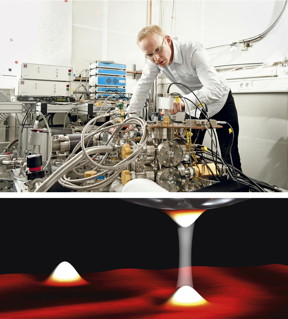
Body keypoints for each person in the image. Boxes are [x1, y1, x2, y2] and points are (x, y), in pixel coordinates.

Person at [126, 24, 242, 171]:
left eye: (158, 50)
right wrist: (131, 117)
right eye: (149, 55)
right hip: (194, 107)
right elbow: (143, 86)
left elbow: (215, 89)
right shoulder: (153, 61)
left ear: (167, 40)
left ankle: (239, 189)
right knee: (187, 154)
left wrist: (184, 101)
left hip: (220, 102)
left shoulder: (193, 51)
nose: (156, 57)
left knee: (229, 155)